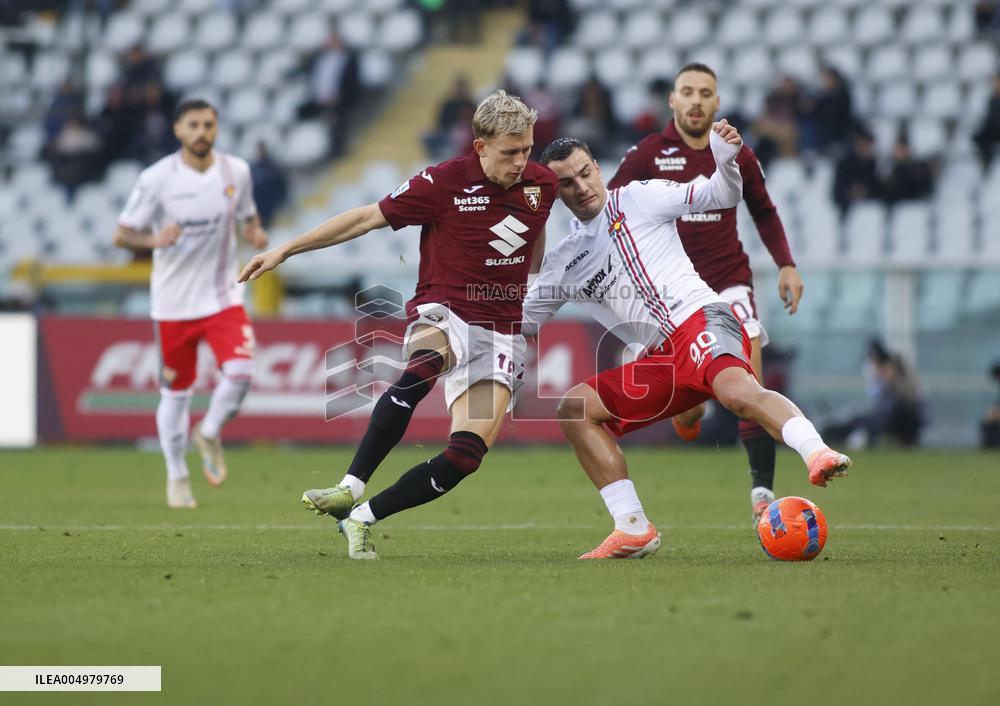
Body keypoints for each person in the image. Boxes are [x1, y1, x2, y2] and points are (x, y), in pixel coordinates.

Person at [239, 90, 557, 559]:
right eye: (510, 152)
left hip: (501, 332)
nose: (521, 161)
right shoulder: (442, 182)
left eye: (527, 149)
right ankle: (350, 485)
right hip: (446, 309)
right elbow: (365, 219)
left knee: (465, 457)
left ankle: (361, 518)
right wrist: (285, 250)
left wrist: (530, 285)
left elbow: (536, 227)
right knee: (424, 365)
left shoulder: (541, 183)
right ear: (480, 146)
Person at [523, 128, 852, 559]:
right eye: (566, 183)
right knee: (574, 409)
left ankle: (817, 452)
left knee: (736, 393)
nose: (581, 187)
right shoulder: (566, 261)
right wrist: (528, 237)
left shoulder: (640, 197)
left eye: (585, 173)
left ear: (598, 169)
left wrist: (725, 159)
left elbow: (721, 193)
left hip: (701, 318)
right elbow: (522, 320)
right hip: (659, 358)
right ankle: (632, 528)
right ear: (555, 193)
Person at [608, 63, 803, 525]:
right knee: (693, 406)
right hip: (674, 296)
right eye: (688, 91)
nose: (696, 100)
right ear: (672, 100)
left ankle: (762, 496)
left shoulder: (733, 152)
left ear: (717, 103)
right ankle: (687, 417)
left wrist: (786, 264)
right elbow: (609, 214)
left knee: (749, 381)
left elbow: (764, 210)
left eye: (705, 93)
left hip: (729, 280)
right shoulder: (647, 154)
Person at [113, 99, 268, 509]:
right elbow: (122, 234)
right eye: (194, 125)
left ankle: (210, 432)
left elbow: (248, 216)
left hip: (222, 297)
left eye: (208, 125)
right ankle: (177, 476)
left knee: (241, 372)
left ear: (216, 129)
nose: (202, 132)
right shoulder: (156, 178)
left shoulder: (236, 171)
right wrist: (153, 240)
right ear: (178, 130)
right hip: (173, 305)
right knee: (176, 394)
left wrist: (255, 233)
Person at [823, 340, 925, 448]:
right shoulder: (894, 385)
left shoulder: (900, 387)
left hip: (903, 430)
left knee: (861, 422)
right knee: (858, 420)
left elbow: (885, 416)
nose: (877, 371)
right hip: (899, 427)